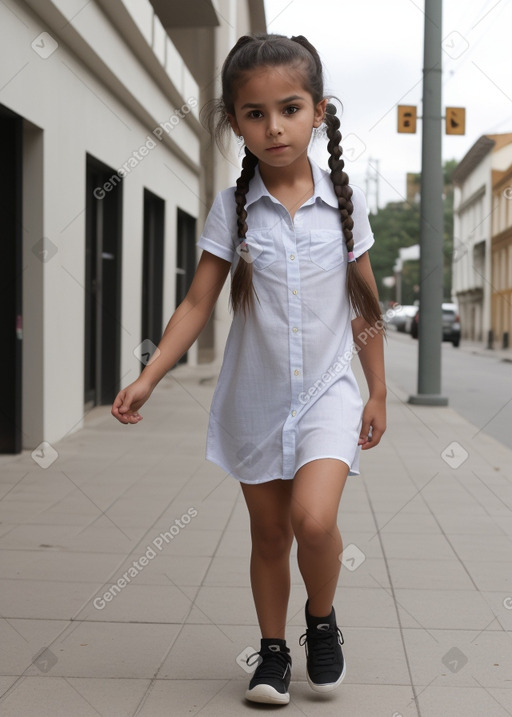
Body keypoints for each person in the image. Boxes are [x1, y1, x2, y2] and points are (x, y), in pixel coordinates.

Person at [112, 32, 386, 707]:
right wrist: (149, 375)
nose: (274, 127)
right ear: (235, 121)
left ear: (319, 112)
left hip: (329, 395)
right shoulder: (233, 208)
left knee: (314, 521)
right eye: (255, 113)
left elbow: (366, 309)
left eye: (290, 109)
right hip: (255, 399)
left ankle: (321, 621)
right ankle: (271, 654)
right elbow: (199, 300)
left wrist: (377, 389)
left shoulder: (343, 207)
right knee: (270, 533)